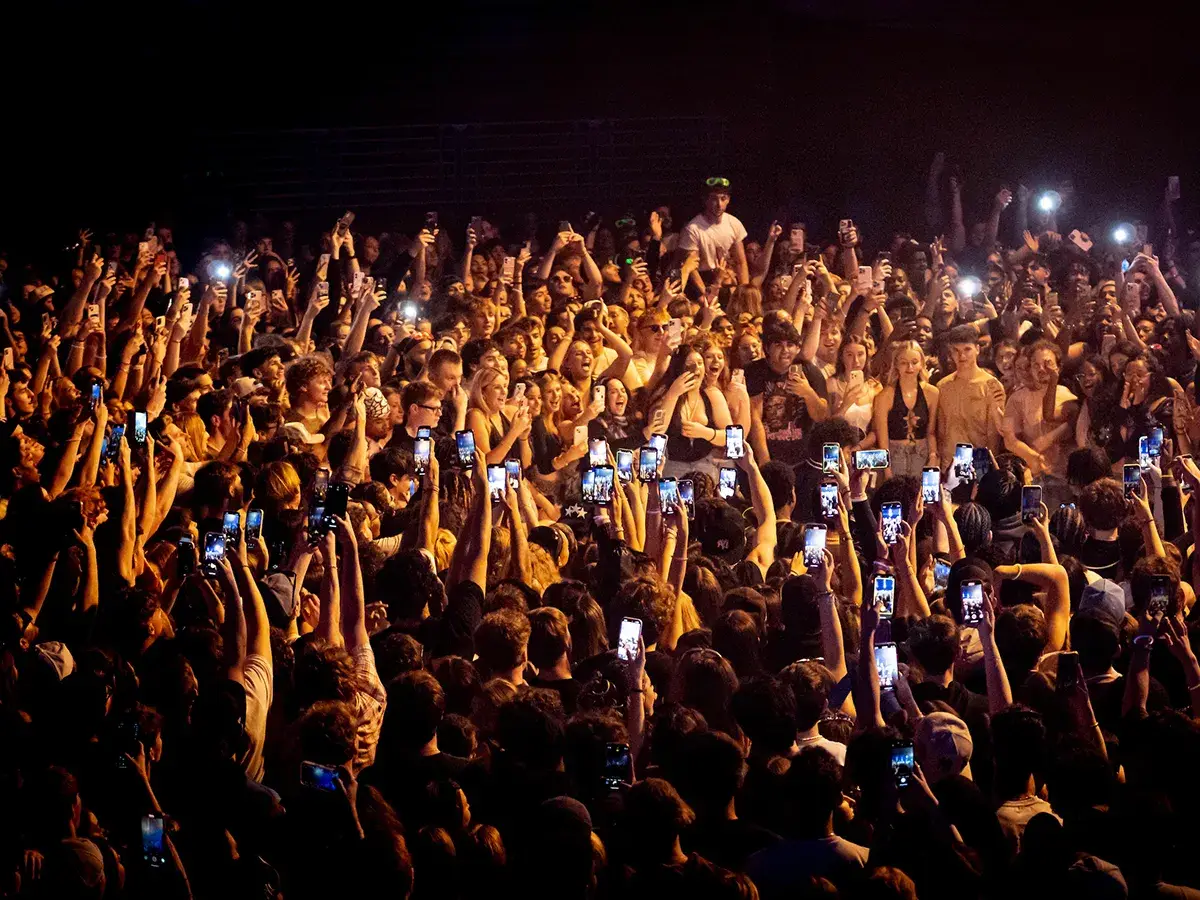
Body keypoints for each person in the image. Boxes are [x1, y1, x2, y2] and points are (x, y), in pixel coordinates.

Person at [934, 324, 1006, 471]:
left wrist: (989, 470)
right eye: (956, 350)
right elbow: (941, 431)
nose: (961, 356)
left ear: (977, 349)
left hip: (979, 464)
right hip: (949, 464)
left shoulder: (991, 385)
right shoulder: (942, 386)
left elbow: (994, 435)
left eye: (967, 349)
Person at [874, 339, 940, 479]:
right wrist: (887, 470)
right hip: (895, 456)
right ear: (896, 365)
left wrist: (933, 456)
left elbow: (931, 432)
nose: (910, 367)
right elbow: (882, 441)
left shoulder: (932, 393)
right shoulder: (884, 396)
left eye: (914, 362)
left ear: (922, 363)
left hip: (922, 455)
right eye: (904, 363)